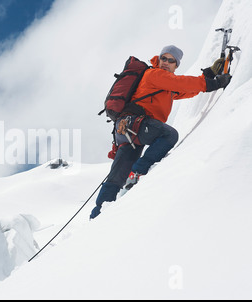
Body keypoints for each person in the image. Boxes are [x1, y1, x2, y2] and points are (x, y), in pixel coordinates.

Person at [90, 45, 231, 219]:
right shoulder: (154, 74)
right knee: (169, 135)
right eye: (163, 58)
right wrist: (214, 84)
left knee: (118, 174)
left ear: (176, 65)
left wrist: (207, 76)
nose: (165, 62)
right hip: (135, 124)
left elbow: (185, 89)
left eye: (171, 60)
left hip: (127, 129)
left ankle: (98, 213)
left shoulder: (165, 85)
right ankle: (138, 172)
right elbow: (180, 83)